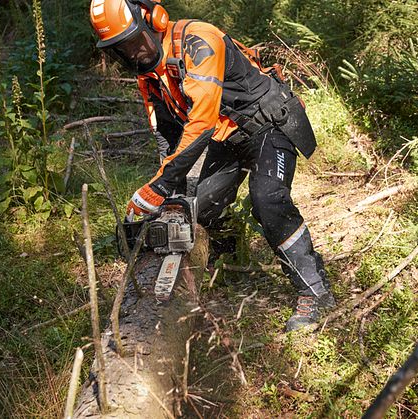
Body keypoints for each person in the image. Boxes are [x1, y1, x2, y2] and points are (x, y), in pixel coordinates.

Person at [89, 0, 335, 331]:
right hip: (225, 139)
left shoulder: (197, 41)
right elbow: (167, 133)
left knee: (268, 200)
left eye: (134, 42)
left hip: (268, 124)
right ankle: (230, 256)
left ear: (153, 21)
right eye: (121, 49)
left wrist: (158, 187)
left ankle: (315, 292)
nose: (132, 54)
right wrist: (167, 189)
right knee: (194, 207)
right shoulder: (149, 76)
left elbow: (201, 122)